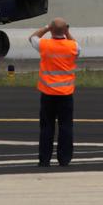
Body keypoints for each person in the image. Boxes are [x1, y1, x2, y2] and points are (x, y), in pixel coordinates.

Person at [31, 18, 78, 167]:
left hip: (48, 94)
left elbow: (32, 37)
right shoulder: (72, 46)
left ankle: (44, 160)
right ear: (64, 30)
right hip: (65, 95)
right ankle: (64, 159)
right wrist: (67, 32)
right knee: (66, 127)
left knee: (46, 128)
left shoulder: (45, 45)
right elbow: (77, 47)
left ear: (51, 29)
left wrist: (47, 27)